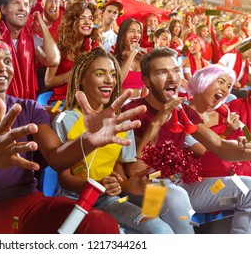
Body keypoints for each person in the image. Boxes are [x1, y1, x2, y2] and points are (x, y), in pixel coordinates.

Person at [0, 35, 144, 234]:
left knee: (99, 223)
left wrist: (87, 141)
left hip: (29, 205)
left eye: (7, 61)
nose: (2, 67)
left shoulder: (29, 108)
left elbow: (56, 157)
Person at [122, 47, 251, 234]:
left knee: (247, 189)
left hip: (183, 186)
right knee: (176, 196)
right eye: (161, 72)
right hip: (147, 190)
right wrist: (157, 123)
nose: (173, 78)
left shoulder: (185, 111)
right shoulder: (133, 111)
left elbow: (220, 147)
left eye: (175, 70)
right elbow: (134, 171)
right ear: (146, 81)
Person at [52, 47, 174, 234]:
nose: (109, 80)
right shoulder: (65, 120)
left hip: (107, 199)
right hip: (72, 199)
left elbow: (120, 173)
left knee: (162, 231)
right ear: (81, 79)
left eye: (112, 74)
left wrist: (130, 184)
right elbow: (65, 179)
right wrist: (98, 183)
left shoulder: (121, 122)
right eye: (100, 74)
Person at [0, 0, 60, 100]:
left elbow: (53, 60)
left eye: (26, 5)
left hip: (25, 106)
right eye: (16, 3)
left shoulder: (32, 39)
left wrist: (43, 28)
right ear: (3, 8)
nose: (22, 8)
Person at [186, 64, 251, 176]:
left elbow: (247, 135)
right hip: (201, 177)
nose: (225, 89)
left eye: (228, 86)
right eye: (220, 82)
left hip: (237, 172)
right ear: (204, 81)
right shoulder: (183, 114)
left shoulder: (230, 109)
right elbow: (203, 152)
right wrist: (227, 132)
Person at [44, 0, 103, 106]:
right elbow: (48, 82)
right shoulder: (59, 47)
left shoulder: (95, 47)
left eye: (90, 18)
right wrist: (73, 72)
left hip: (86, 103)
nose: (87, 22)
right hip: (60, 102)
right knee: (63, 120)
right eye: (82, 18)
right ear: (72, 22)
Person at [113, 18, 145, 98]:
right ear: (123, 35)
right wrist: (132, 54)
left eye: (139, 32)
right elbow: (118, 82)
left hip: (139, 105)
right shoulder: (115, 59)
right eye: (132, 31)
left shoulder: (142, 58)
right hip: (121, 105)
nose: (136, 35)